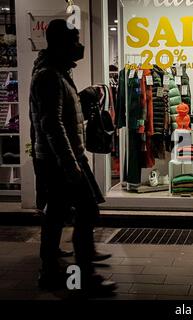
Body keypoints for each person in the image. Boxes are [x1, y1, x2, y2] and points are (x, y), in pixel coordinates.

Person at [29, 19, 116, 294]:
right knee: (84, 212)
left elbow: (59, 116)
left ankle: (56, 272)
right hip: (61, 159)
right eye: (76, 40)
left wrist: (82, 96)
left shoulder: (57, 72)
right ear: (62, 43)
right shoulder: (49, 76)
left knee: (58, 216)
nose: (80, 46)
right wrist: (70, 163)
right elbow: (51, 124)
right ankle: (81, 277)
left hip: (64, 157)